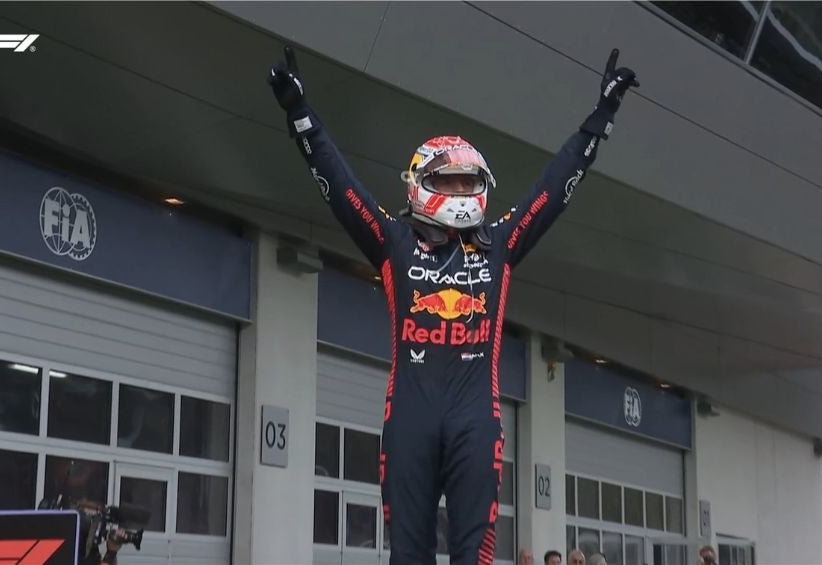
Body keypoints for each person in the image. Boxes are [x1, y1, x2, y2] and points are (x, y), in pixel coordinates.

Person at [269, 45, 638, 564]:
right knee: (408, 556)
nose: (462, 190)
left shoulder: (501, 245)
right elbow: (343, 191)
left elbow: (553, 190)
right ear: (422, 184)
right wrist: (300, 116)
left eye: (469, 181)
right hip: (409, 419)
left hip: (475, 420)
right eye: (450, 181)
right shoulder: (395, 243)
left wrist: (599, 121)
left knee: (475, 556)